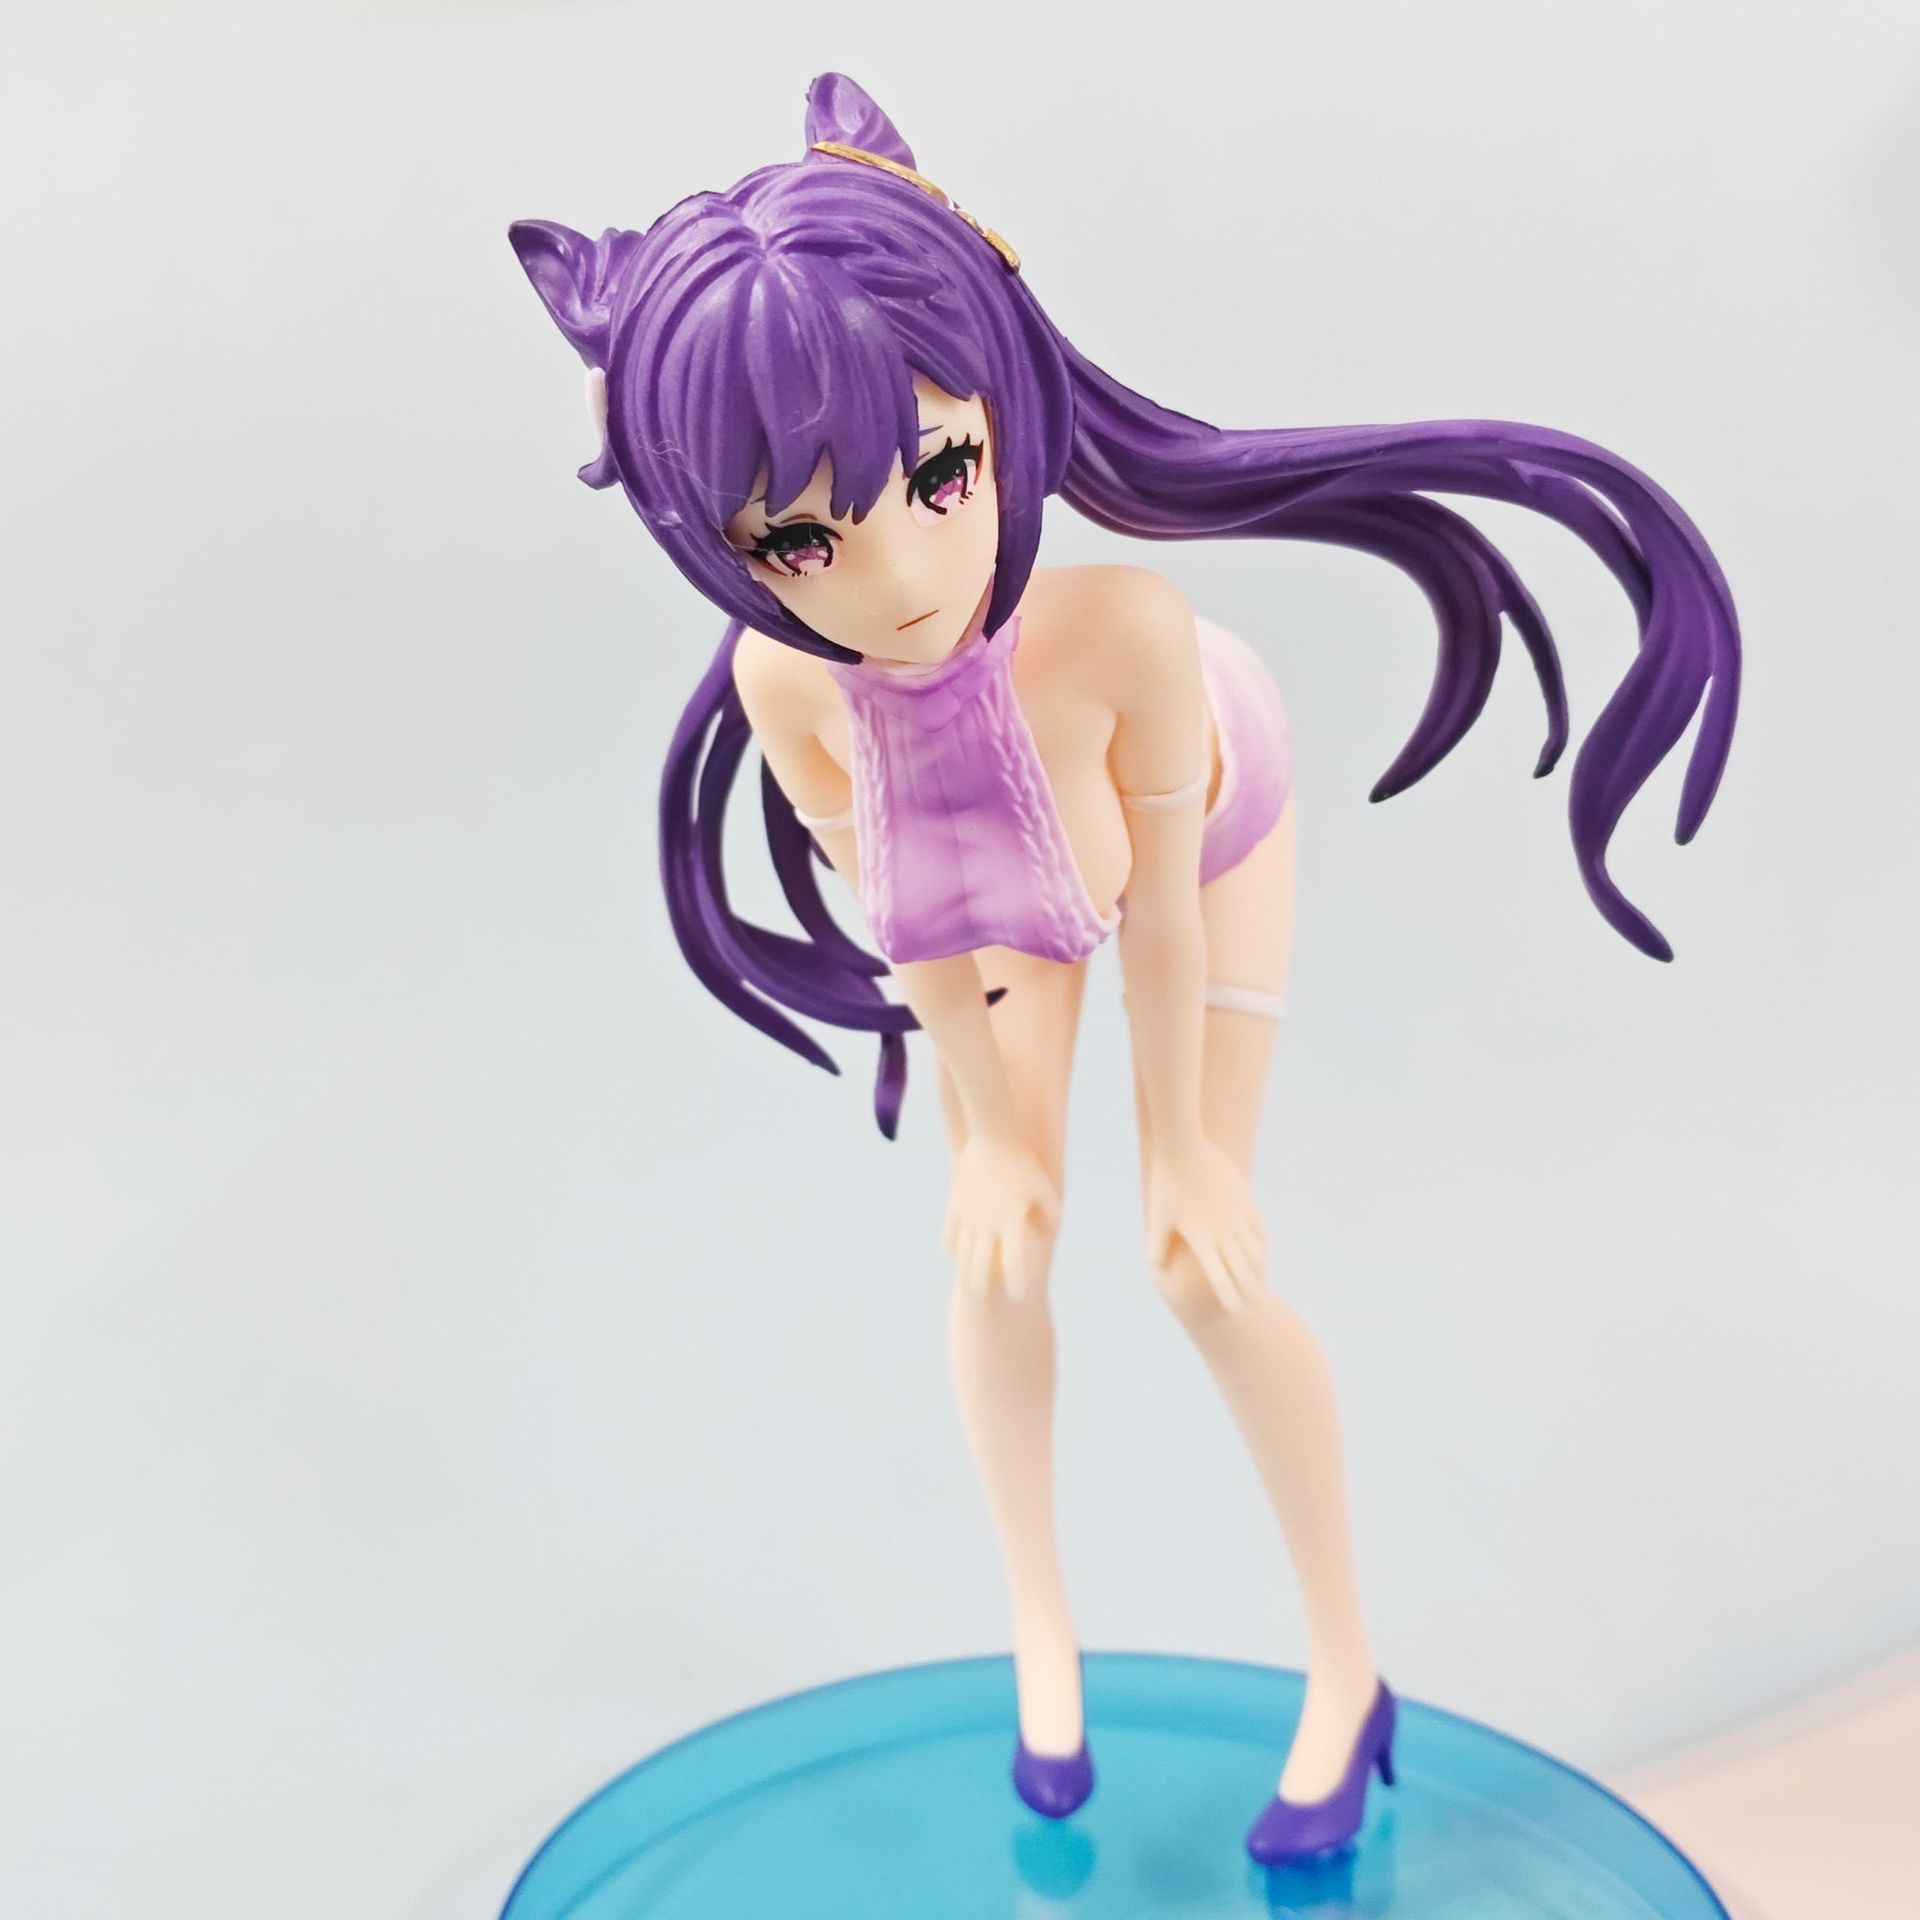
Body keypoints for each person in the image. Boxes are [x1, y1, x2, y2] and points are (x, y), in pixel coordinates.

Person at [507, 69, 1739, 1865]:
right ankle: (1043, 1638)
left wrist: (1185, 1153)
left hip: (1192, 846)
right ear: (722, 544)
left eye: (941, 474)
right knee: (994, 1247)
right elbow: (908, 915)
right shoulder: (791, 684)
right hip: (989, 897)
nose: (899, 576)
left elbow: (1161, 906)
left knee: (1199, 1270)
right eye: (799, 538)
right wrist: (999, 1137)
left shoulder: (1128, 637)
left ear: (1002, 413)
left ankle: (1345, 1674)